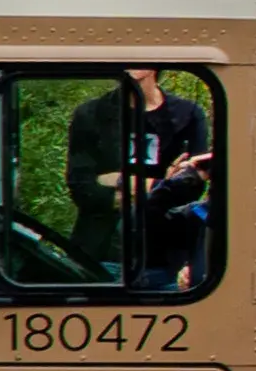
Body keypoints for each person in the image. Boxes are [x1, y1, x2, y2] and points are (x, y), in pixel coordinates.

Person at [63, 68, 215, 289]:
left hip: (166, 261)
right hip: (102, 256)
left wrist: (115, 180)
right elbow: (83, 189)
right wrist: (162, 184)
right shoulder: (91, 113)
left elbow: (191, 187)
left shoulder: (187, 115)